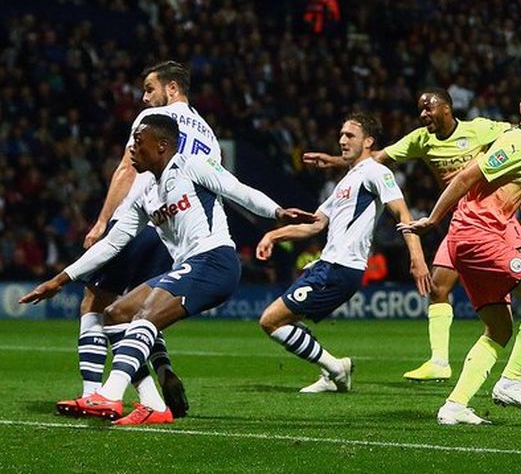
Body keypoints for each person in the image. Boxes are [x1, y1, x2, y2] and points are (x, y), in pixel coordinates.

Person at [19, 114, 316, 424]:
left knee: (145, 316)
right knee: (116, 314)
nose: (131, 148)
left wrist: (277, 211)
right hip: (190, 266)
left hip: (215, 261)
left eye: (138, 141)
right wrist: (61, 278)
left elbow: (237, 190)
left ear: (161, 145)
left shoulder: (192, 165)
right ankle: (153, 405)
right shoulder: (144, 191)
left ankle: (109, 394)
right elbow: (111, 244)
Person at [304, 88, 521, 382]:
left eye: (429, 108)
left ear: (447, 108)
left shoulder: (479, 128)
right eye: (421, 109)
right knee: (439, 285)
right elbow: (375, 158)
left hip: (495, 218)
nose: (424, 113)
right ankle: (440, 361)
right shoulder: (420, 140)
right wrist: (335, 161)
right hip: (463, 222)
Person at [400, 83, 521, 424]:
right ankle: (510, 381)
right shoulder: (517, 143)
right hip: (479, 237)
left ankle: (455, 406)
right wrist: (434, 219)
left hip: (470, 241)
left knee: (499, 329)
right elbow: (467, 175)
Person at [73, 61, 219, 419]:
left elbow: (126, 169)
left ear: (171, 89)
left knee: (95, 303)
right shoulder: (210, 136)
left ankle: (94, 393)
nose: (144, 97)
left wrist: (103, 221)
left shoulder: (151, 123)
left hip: (139, 222)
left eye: (149, 89)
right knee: (141, 311)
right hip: (175, 235)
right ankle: (160, 369)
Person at [256, 112, 431, 393]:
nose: (342, 140)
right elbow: (315, 225)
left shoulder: (376, 171)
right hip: (326, 266)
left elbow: (402, 211)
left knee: (271, 320)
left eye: (350, 135)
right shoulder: (346, 182)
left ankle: (335, 368)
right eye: (341, 135)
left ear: (368, 142)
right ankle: (332, 370)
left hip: (341, 269)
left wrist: (417, 256)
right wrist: (273, 235)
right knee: (279, 321)